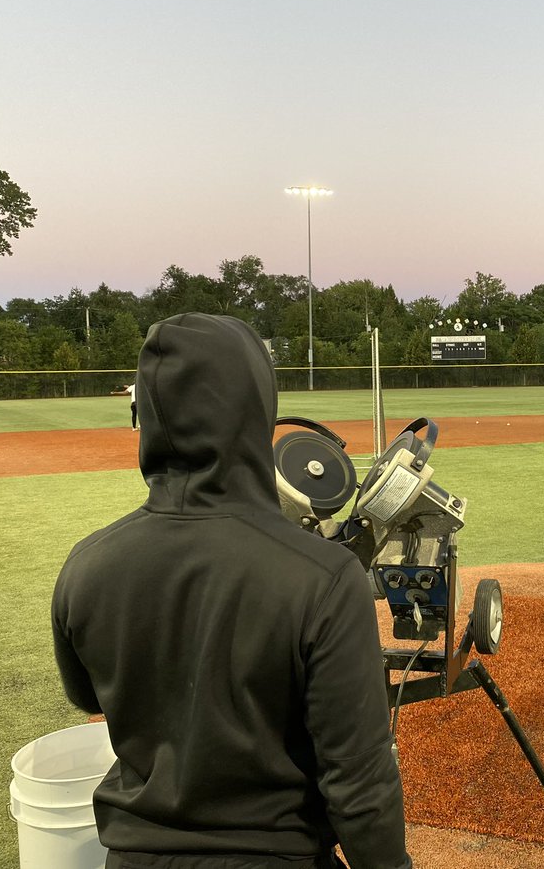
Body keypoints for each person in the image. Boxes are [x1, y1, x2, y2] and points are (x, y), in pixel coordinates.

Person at [53, 313, 412, 869]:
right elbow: (360, 786)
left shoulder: (86, 563)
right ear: (256, 412)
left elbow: (88, 697)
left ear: (147, 418)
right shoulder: (325, 576)